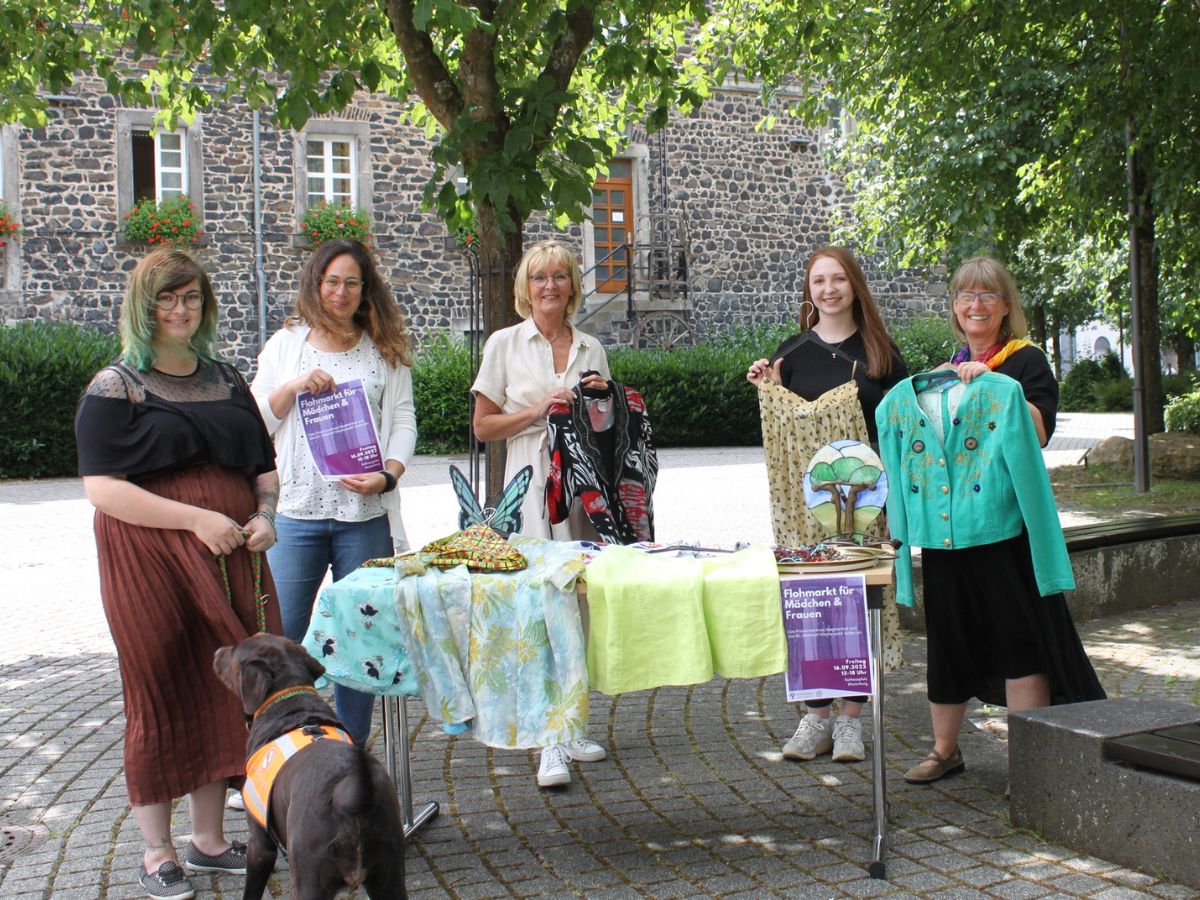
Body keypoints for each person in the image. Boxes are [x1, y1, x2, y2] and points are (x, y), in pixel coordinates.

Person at [75, 249, 281, 900]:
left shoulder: (224, 377)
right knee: (160, 687)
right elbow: (102, 488)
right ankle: (156, 851)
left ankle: (211, 842)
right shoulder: (116, 387)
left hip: (232, 556)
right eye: (168, 298)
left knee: (222, 686)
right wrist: (193, 520)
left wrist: (268, 515)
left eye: (191, 297)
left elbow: (262, 467)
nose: (181, 310)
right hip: (148, 558)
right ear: (144, 306)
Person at [890, 255, 1105, 785]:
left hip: (1006, 532)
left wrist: (990, 383)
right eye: (966, 296)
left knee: (1017, 640)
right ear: (955, 309)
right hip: (944, 530)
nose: (976, 305)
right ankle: (945, 751)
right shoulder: (944, 369)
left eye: (987, 295)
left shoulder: (1026, 363)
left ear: (1006, 306)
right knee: (948, 637)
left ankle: (1026, 761)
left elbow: (1038, 431)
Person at [250, 239, 416, 747]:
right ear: (315, 284)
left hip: (363, 517)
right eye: (331, 281)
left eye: (351, 282)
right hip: (297, 515)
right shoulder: (287, 346)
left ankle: (350, 754)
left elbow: (405, 420)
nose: (340, 292)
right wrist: (295, 386)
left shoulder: (382, 348)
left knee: (359, 640)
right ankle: (273, 756)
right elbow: (256, 419)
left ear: (366, 290)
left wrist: (387, 475)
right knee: (281, 642)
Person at [746, 245, 908, 764]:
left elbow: (900, 429)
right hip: (806, 505)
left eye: (838, 279)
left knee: (857, 605)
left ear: (854, 285)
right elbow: (784, 429)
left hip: (865, 503)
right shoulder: (791, 353)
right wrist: (769, 388)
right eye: (819, 281)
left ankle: (850, 723)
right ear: (809, 290)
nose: (829, 289)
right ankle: (814, 717)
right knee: (810, 607)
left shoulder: (880, 352)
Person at [470, 239, 610, 788]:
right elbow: (483, 427)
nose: (549, 285)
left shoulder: (591, 346)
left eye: (559, 276)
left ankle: (571, 721)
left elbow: (608, 424)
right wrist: (537, 412)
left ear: (573, 285)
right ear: (524, 288)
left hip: (580, 486)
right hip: (529, 483)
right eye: (538, 277)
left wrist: (601, 404)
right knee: (537, 601)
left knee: (576, 601)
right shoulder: (505, 344)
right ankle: (548, 739)